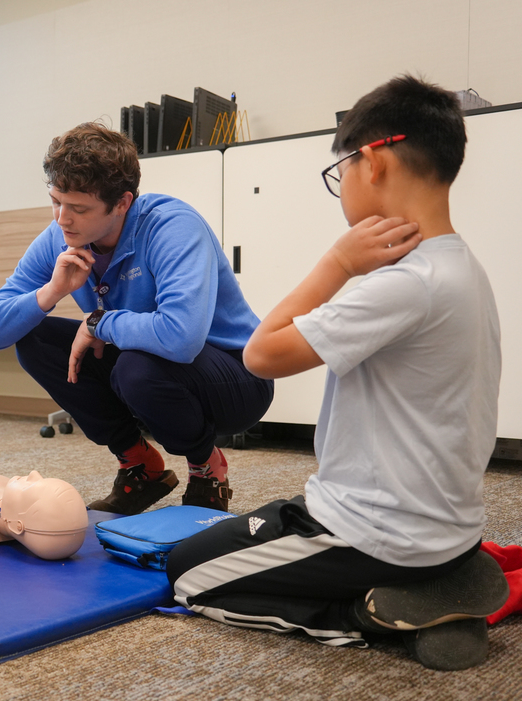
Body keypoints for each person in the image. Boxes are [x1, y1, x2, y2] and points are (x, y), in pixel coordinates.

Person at [166, 76, 509, 671]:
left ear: (372, 162)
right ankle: (443, 579)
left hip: (374, 534)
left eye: (339, 170)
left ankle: (370, 613)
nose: (341, 185)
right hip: (449, 530)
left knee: (188, 572)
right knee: (252, 532)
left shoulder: (404, 285)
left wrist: (337, 263)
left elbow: (259, 354)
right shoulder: (463, 268)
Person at [0, 122, 273, 515]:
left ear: (121, 203)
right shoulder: (59, 236)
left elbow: (181, 338)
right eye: (56, 202)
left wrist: (98, 322)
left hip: (237, 376)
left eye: (79, 209)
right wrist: (50, 292)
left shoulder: (172, 226)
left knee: (137, 367)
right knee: (37, 338)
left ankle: (205, 466)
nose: (62, 219)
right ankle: (140, 465)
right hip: (150, 362)